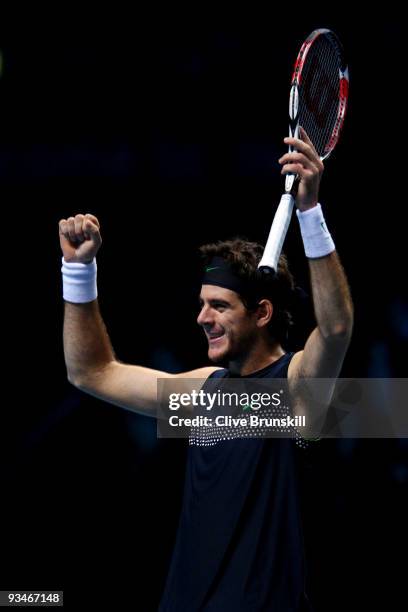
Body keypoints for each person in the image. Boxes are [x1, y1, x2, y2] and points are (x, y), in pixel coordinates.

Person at [59, 128, 353, 611]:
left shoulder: (297, 390)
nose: (202, 318)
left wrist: (310, 212)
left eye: (219, 306)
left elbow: (337, 328)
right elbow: (91, 372)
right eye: (202, 304)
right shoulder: (204, 392)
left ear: (261, 313)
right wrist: (78, 271)